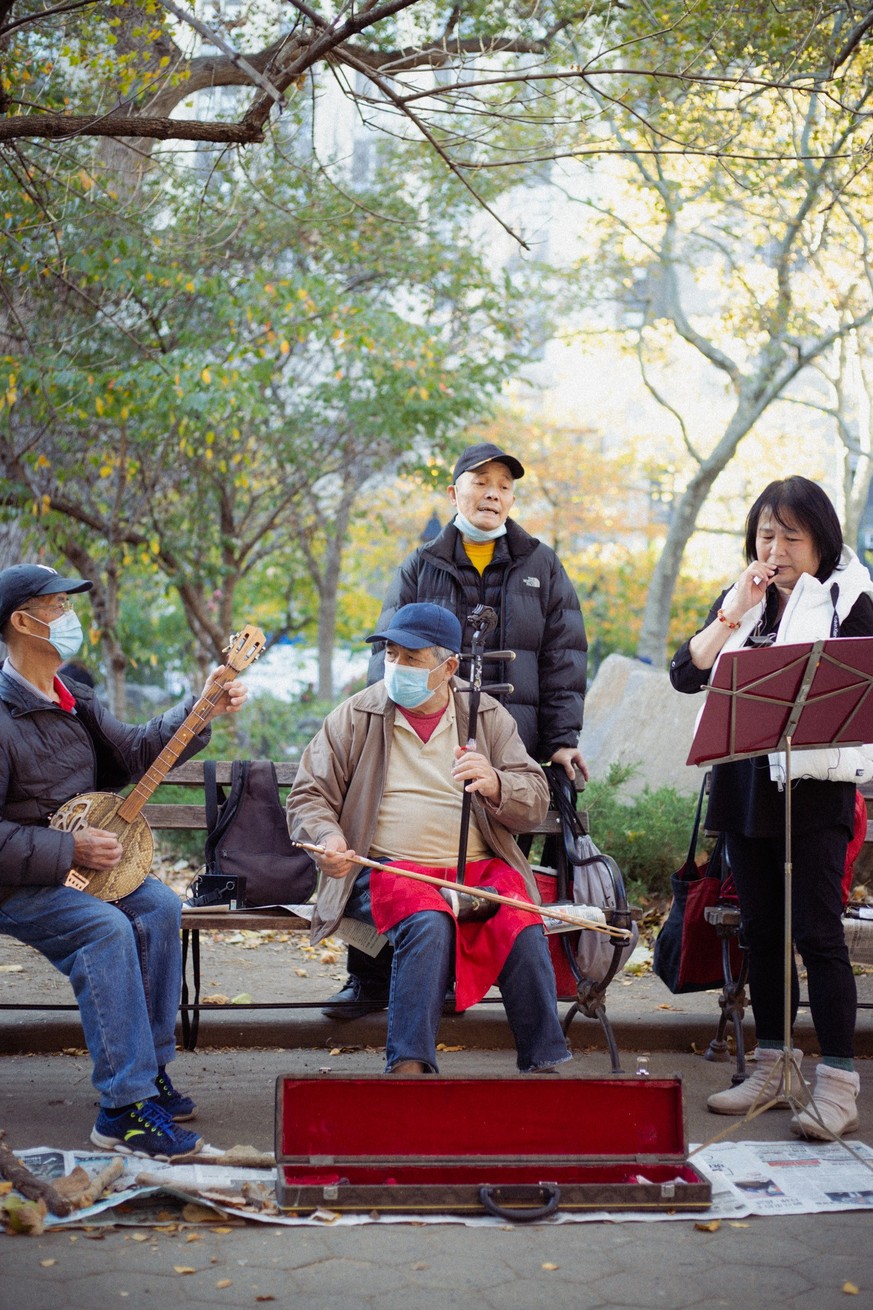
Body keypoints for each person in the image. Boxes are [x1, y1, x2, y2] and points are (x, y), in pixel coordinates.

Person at [325, 441, 589, 1018]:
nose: (493, 492)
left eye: (504, 485)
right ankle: (368, 979)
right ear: (455, 492)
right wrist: (381, 722)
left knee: (485, 862)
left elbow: (565, 656)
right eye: (480, 481)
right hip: (424, 729)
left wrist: (564, 739)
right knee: (393, 845)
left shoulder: (541, 564)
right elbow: (387, 653)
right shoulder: (422, 563)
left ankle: (453, 981)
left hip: (503, 738)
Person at [0, 564, 247, 1158]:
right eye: (59, 606)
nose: (71, 619)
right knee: (105, 928)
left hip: (76, 871)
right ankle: (122, 1111)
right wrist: (69, 848)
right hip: (18, 881)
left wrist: (202, 708)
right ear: (21, 622)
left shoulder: (73, 701)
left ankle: (149, 1072)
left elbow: (136, 750)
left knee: (158, 905)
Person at [288, 602, 572, 1076]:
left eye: (411, 658)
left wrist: (499, 784)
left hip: (478, 867)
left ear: (449, 667)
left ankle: (543, 1065)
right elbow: (309, 795)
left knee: (520, 919)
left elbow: (535, 798)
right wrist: (328, 837)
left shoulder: (487, 715)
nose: (395, 667)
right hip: (390, 868)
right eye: (391, 655)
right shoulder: (356, 714)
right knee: (427, 919)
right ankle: (409, 1068)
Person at [670, 477, 873, 1139]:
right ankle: (771, 1066)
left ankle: (837, 1082)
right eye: (765, 534)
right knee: (761, 936)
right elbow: (685, 672)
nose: (776, 548)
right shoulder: (742, 600)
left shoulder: (851, 600)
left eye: (791, 535)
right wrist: (734, 609)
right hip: (743, 790)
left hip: (816, 794)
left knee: (817, 935)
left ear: (820, 541)